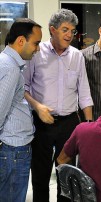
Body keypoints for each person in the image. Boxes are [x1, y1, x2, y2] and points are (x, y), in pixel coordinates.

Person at [23, 9, 94, 202]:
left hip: (69, 123)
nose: (70, 34)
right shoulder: (37, 53)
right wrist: (38, 107)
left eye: (73, 30)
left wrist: (88, 124)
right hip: (41, 122)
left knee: (67, 175)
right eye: (65, 29)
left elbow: (84, 92)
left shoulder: (77, 56)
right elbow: (24, 87)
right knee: (40, 175)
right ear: (52, 30)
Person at [0, 18, 42, 202]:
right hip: (14, 150)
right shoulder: (10, 68)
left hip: (12, 149)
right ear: (20, 41)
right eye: (36, 43)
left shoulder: (5, 61)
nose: (38, 49)